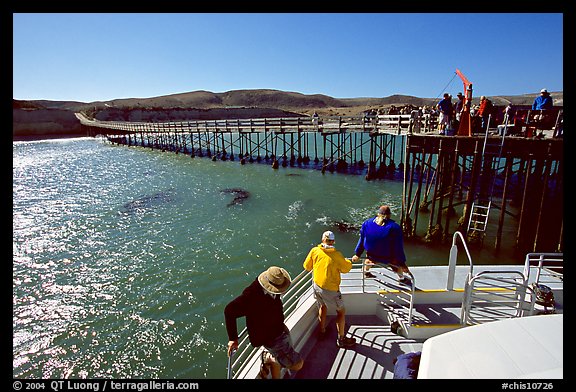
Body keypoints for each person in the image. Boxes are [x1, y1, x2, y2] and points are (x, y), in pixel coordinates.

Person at [225, 266, 304, 379]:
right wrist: (233, 338)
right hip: (270, 338)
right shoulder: (250, 296)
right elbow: (229, 311)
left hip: (279, 329)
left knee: (284, 356)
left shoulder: (270, 287)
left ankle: (272, 358)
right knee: (297, 364)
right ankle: (269, 357)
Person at [303, 230, 357, 348]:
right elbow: (346, 268)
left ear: (323, 240)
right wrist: (349, 261)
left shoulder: (315, 251)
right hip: (331, 290)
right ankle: (341, 339)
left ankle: (322, 331)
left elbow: (307, 267)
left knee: (322, 306)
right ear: (333, 242)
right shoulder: (337, 255)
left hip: (317, 286)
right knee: (341, 312)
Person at [351, 205, 413, 285]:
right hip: (388, 256)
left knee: (369, 261)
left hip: (372, 254)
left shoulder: (367, 223)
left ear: (378, 213)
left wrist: (357, 254)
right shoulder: (394, 227)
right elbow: (398, 247)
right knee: (395, 265)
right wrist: (402, 263)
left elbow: (362, 240)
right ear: (389, 215)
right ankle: (402, 279)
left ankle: (365, 273)